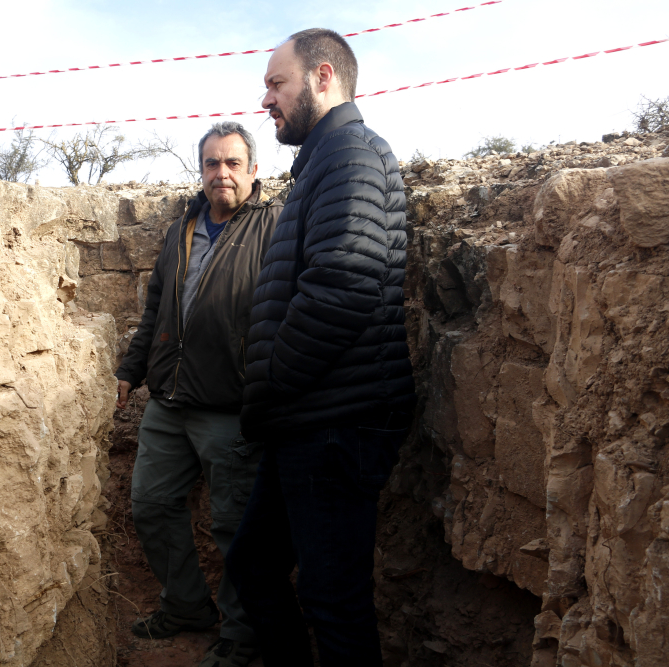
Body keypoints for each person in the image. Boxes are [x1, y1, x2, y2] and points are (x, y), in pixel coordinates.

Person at [225, 28, 416, 666]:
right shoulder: (325, 162)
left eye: (277, 83)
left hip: (334, 423)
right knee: (254, 565)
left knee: (335, 603)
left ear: (323, 77)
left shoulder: (352, 155)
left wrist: (272, 385)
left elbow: (343, 287)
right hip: (310, 418)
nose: (267, 100)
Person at [115, 121, 283, 667]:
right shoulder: (183, 226)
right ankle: (186, 605)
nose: (222, 173)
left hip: (231, 406)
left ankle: (242, 634)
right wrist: (132, 369)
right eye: (212, 163)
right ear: (202, 171)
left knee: (236, 526)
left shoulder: (274, 227)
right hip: (169, 398)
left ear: (253, 171)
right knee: (151, 503)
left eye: (233, 163)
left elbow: (286, 315)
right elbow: (156, 307)